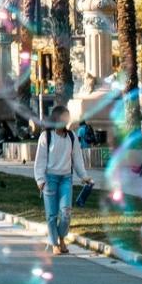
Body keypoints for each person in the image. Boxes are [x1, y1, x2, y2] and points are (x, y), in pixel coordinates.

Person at [33, 105, 91, 255]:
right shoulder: (46, 136)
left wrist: (84, 176)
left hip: (66, 178)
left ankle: (62, 237)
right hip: (49, 178)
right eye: (64, 117)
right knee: (52, 215)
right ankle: (54, 244)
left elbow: (77, 159)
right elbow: (40, 160)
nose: (66, 120)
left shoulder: (71, 137)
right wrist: (40, 180)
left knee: (66, 212)